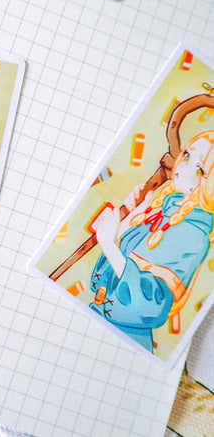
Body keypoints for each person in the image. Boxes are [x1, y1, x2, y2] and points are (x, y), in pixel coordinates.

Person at [90, 131, 214, 351]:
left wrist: (108, 244)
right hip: (96, 314)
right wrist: (130, 219)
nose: (183, 167)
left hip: (124, 338)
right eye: (186, 156)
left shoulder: (194, 235)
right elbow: (119, 263)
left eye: (198, 170)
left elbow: (149, 304)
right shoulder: (165, 206)